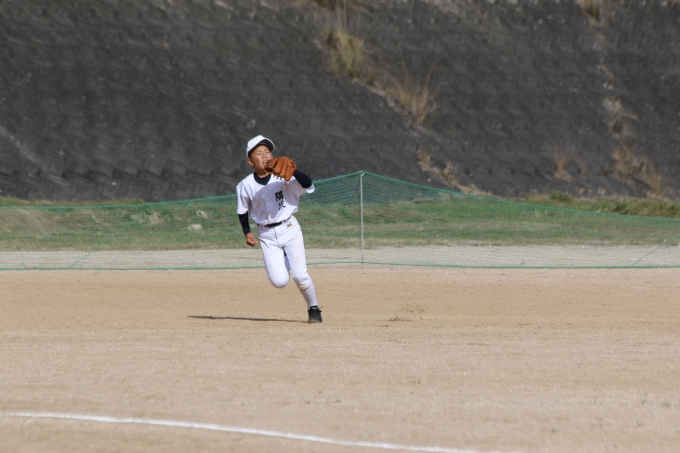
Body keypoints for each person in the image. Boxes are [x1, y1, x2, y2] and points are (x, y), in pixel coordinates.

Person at [235, 135, 322, 323]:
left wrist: (294, 171)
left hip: (289, 229)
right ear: (250, 161)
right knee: (279, 281)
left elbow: (308, 185)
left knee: (300, 276)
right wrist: (247, 232)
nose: (264, 156)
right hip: (266, 235)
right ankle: (286, 257)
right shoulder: (245, 185)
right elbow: (242, 211)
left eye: (267, 152)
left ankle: (313, 308)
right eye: (259, 153)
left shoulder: (282, 176)